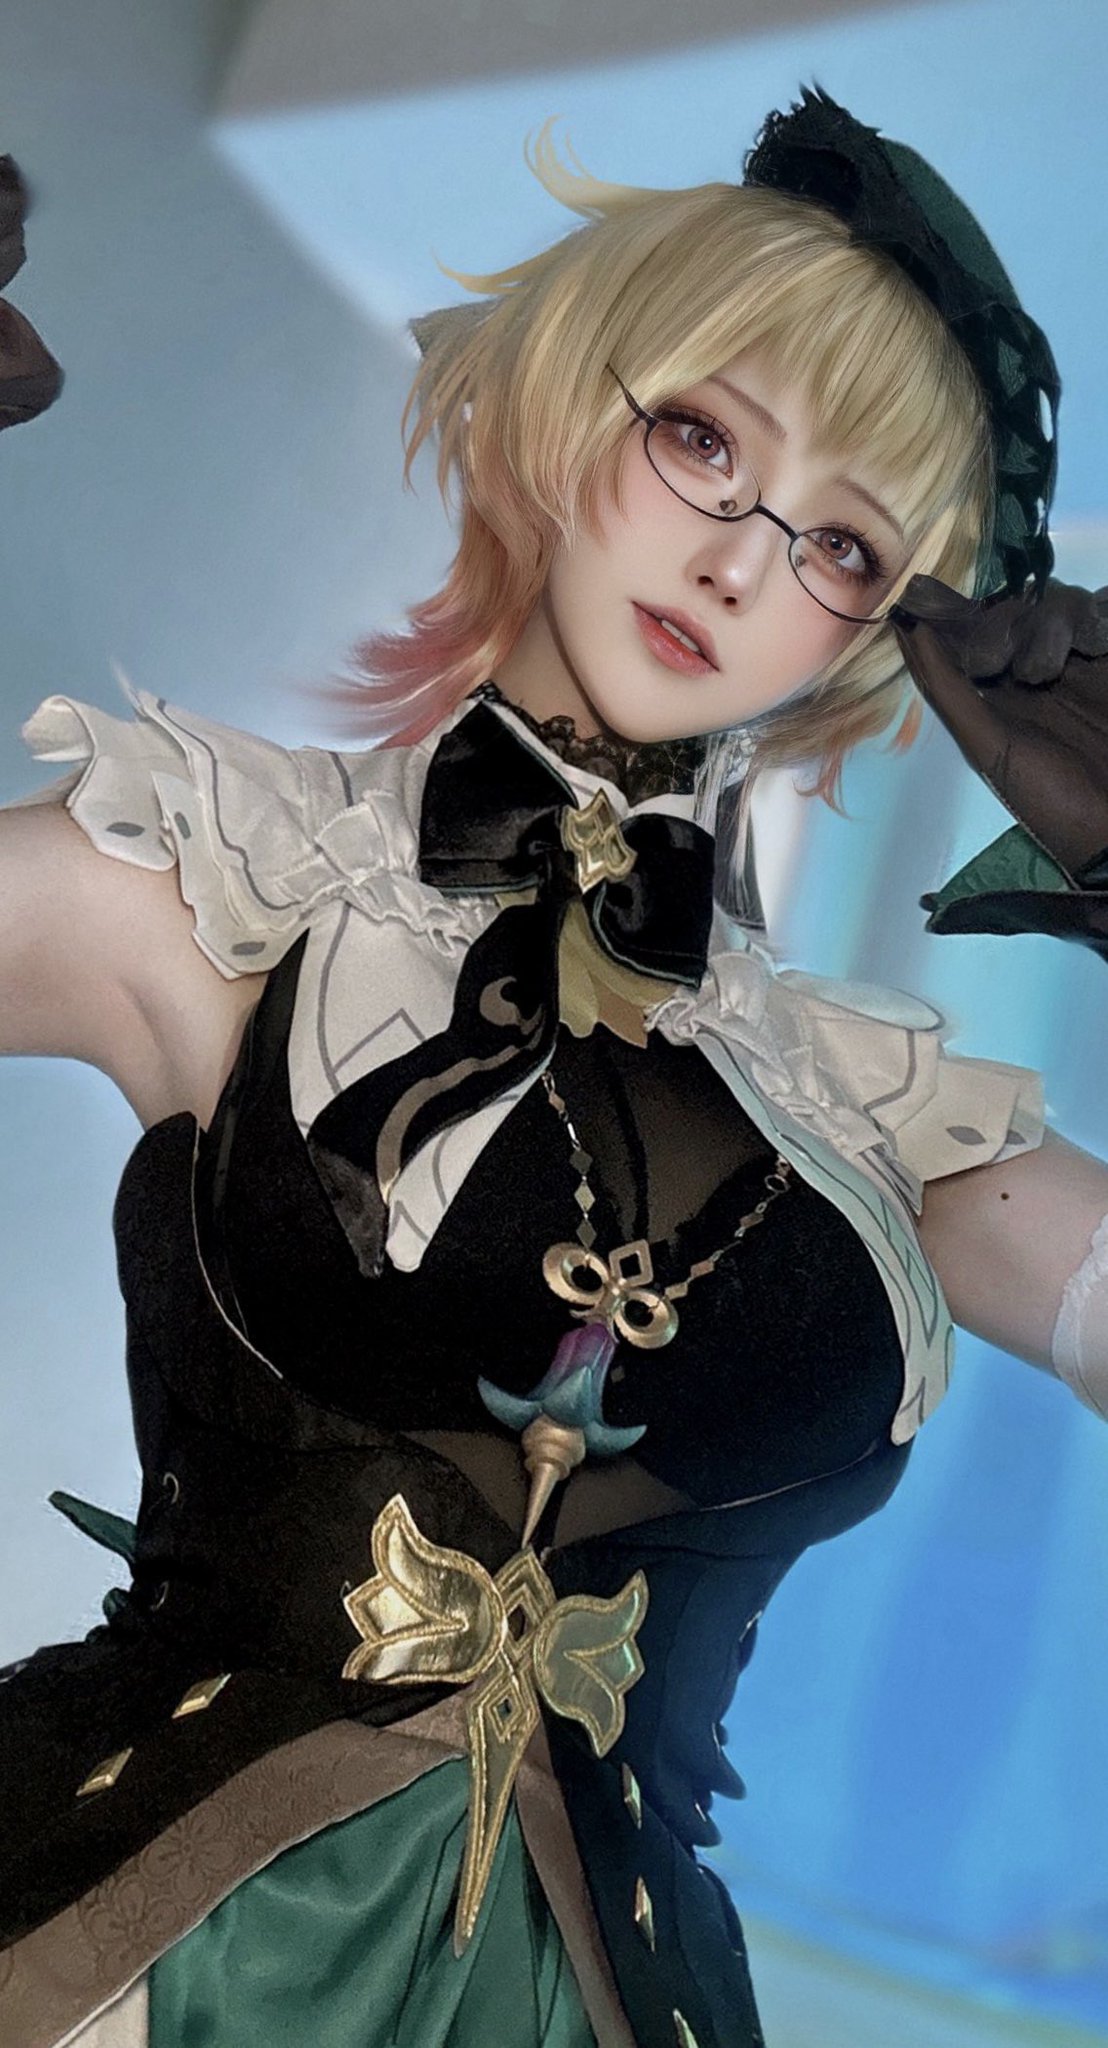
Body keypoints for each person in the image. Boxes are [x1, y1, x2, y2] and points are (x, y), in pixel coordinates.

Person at [1, 87, 1106, 2048]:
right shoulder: (219, 884)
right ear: (563, 400)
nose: (740, 559)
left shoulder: (872, 1116)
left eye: (841, 540)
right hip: (119, 1952)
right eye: (703, 439)